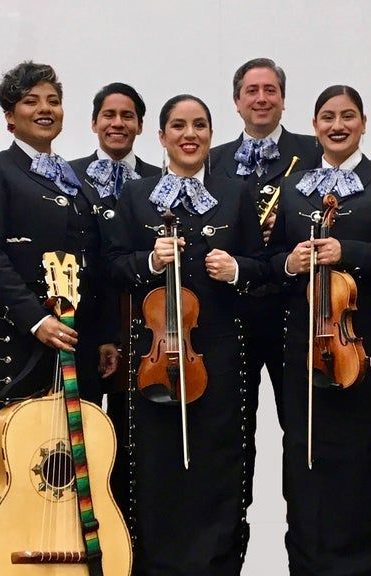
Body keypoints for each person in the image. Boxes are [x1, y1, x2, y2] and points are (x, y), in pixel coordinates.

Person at [102, 94, 269, 575]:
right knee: (155, 464)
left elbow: (263, 267)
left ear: (212, 135)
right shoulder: (136, 195)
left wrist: (237, 269)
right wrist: (149, 262)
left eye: (199, 125)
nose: (189, 134)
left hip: (219, 353)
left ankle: (216, 563)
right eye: (178, 125)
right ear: (161, 136)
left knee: (218, 462)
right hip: (154, 355)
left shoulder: (236, 193)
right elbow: (112, 265)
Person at [270, 85, 371, 575]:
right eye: (327, 117)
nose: (337, 126)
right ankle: (311, 561)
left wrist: (350, 252)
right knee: (307, 457)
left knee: (365, 457)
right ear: (314, 125)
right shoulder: (294, 189)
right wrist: (290, 263)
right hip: (306, 345)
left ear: (363, 123)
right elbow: (270, 264)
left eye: (348, 116)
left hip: (365, 340)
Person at [0, 61, 119, 502]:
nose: (45, 109)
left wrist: (103, 335)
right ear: (10, 116)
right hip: (16, 335)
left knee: (69, 464)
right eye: (31, 101)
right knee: (7, 460)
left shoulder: (74, 179)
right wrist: (35, 319)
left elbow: (92, 261)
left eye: (53, 101)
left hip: (73, 337)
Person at [69, 81, 161, 526]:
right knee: (81, 432)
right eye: (109, 115)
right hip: (83, 324)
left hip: (144, 326)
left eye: (128, 116)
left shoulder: (161, 181)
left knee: (134, 436)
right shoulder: (67, 175)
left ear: (140, 125)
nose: (118, 123)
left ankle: (131, 534)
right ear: (94, 123)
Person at [210, 57, 320, 423]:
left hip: (294, 306)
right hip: (232, 309)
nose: (261, 98)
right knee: (233, 423)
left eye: (270, 90)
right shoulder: (213, 159)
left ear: (283, 99)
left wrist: (288, 225)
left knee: (299, 417)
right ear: (237, 101)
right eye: (251, 91)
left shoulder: (314, 151)